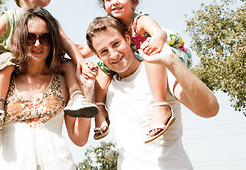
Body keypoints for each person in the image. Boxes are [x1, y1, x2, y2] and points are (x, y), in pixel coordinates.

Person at [0, 8, 93, 169]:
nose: (38, 44)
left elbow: (79, 138)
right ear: (20, 39)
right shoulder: (1, 79)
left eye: (45, 38)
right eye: (30, 38)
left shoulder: (64, 78)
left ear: (53, 41)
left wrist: (87, 91)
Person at [85, 16, 219, 169]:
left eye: (116, 44)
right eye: (104, 51)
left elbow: (210, 109)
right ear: (98, 56)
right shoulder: (107, 88)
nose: (113, 54)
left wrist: (174, 62)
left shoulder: (158, 72)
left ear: (127, 38)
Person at [0, 0, 98, 130]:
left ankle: (76, 96)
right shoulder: (10, 16)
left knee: (67, 64)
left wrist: (82, 63)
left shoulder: (49, 21)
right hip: (10, 57)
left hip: (38, 61)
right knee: (5, 64)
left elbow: (67, 43)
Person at [80, 0, 192, 143]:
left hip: (171, 53)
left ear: (134, 1)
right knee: (103, 64)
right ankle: (100, 110)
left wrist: (153, 42)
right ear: (104, 7)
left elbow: (159, 34)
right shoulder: (110, 30)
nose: (115, 2)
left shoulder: (140, 21)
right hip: (140, 56)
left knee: (149, 51)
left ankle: (161, 105)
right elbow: (84, 50)